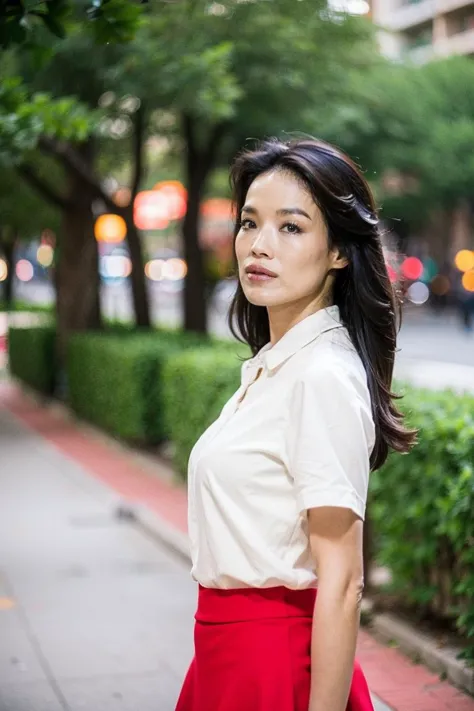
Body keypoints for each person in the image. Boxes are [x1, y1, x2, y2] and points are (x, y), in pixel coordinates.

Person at [175, 138, 416, 711]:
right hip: (224, 654)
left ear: (338, 251)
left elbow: (342, 581)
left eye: (291, 228)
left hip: (274, 665)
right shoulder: (276, 367)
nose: (259, 246)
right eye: (249, 223)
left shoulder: (321, 377)